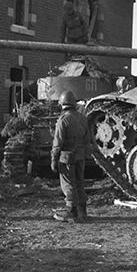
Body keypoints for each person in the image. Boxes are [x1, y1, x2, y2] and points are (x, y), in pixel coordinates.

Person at [51, 91, 91, 222]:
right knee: (80, 183)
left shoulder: (63, 119)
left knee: (68, 184)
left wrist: (53, 160)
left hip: (67, 157)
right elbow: (87, 139)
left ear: (62, 104)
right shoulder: (82, 118)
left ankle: (71, 212)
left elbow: (58, 143)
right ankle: (83, 212)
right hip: (80, 156)